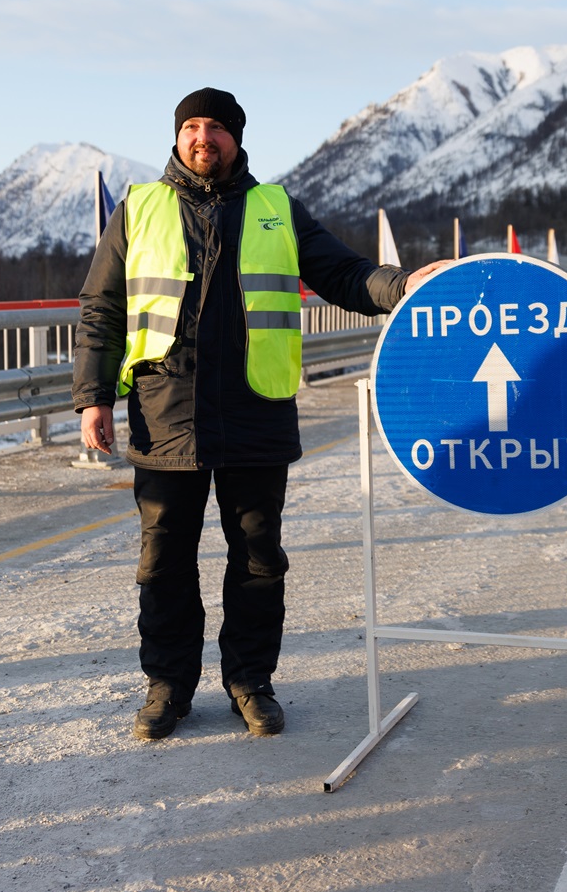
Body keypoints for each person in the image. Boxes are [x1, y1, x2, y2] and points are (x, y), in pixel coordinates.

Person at [73, 87, 446, 741]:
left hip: (256, 414)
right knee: (164, 562)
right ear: (177, 136)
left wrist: (405, 286)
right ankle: (168, 688)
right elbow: (101, 309)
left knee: (257, 560)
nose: (202, 138)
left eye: (216, 127)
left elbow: (344, 274)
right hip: (167, 415)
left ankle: (250, 682)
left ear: (236, 139)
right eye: (191, 126)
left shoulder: (275, 208)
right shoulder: (139, 209)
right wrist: (93, 397)